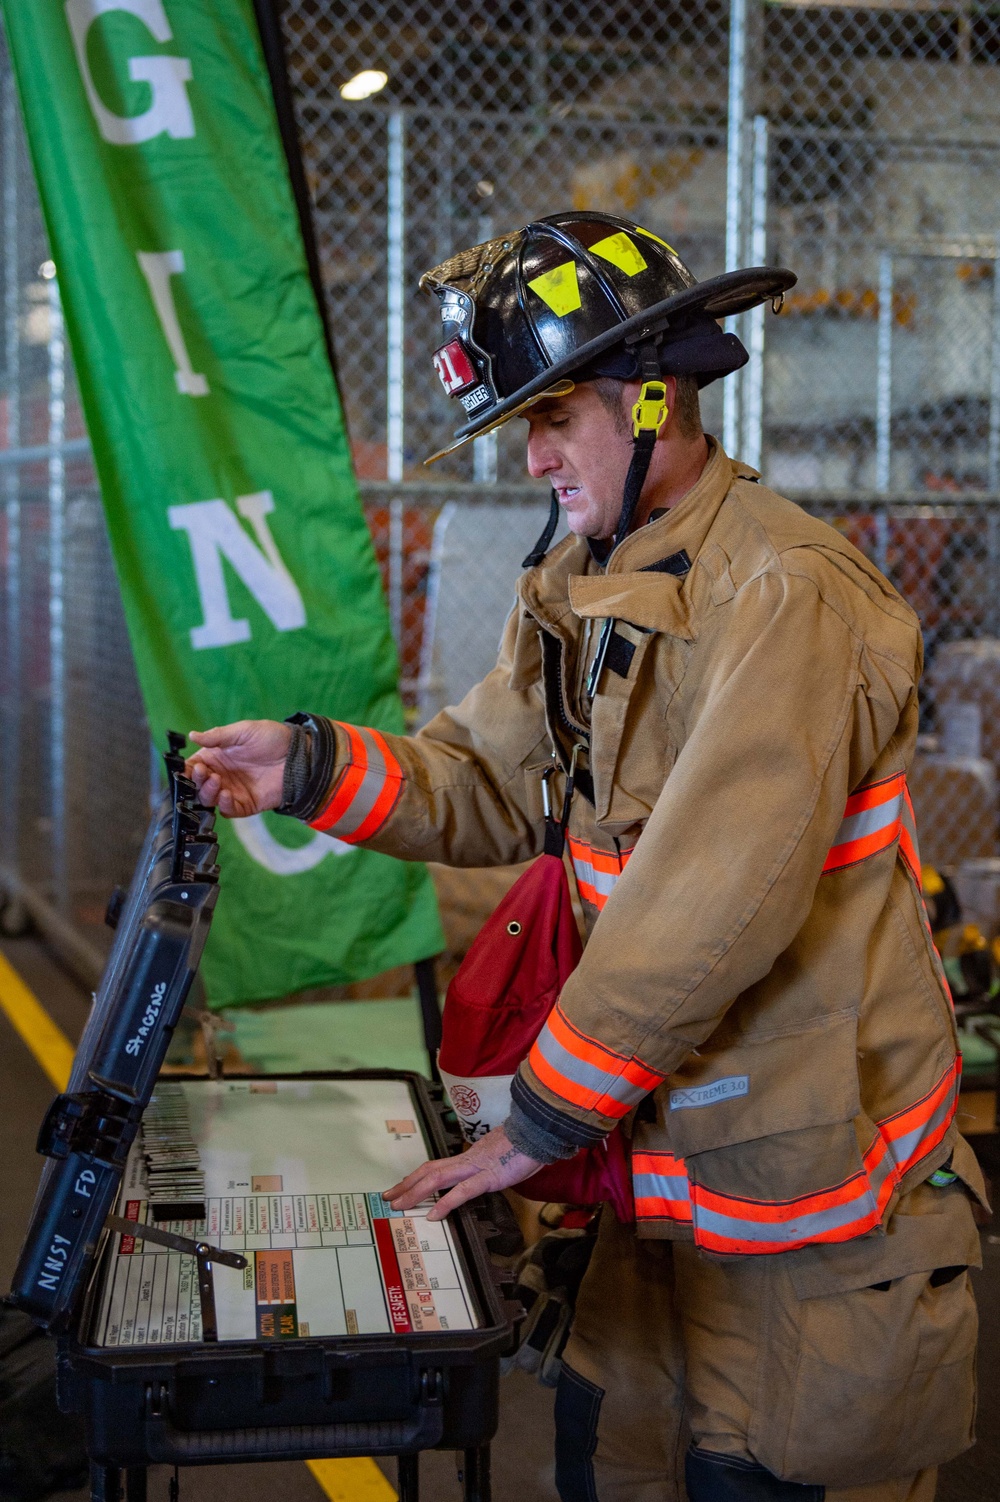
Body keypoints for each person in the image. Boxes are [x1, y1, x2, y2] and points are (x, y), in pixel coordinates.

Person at [186, 212, 987, 1502]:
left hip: (805, 1178)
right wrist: (311, 769)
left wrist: (536, 1128)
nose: (534, 456)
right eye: (523, 425)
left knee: (765, 1469)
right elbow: (489, 781)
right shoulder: (585, 572)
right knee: (612, 1462)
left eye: (555, 416)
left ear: (658, 400)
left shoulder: (784, 591)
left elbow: (709, 899)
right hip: (660, 1154)